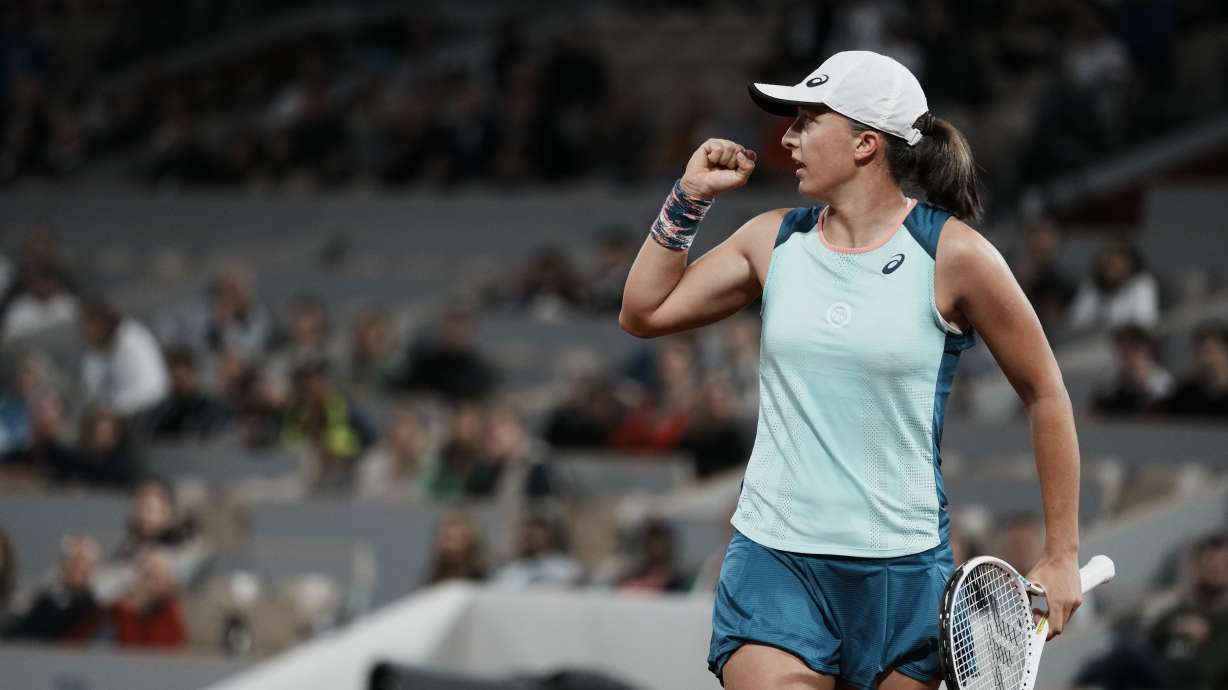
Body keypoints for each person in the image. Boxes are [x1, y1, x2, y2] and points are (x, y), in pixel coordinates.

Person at [619, 51, 1083, 690]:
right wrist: (689, 197)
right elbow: (643, 312)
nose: (787, 137)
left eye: (808, 121)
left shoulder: (956, 255)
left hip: (903, 571)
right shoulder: (771, 238)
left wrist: (1062, 554)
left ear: (866, 143)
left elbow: (1045, 392)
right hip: (774, 558)